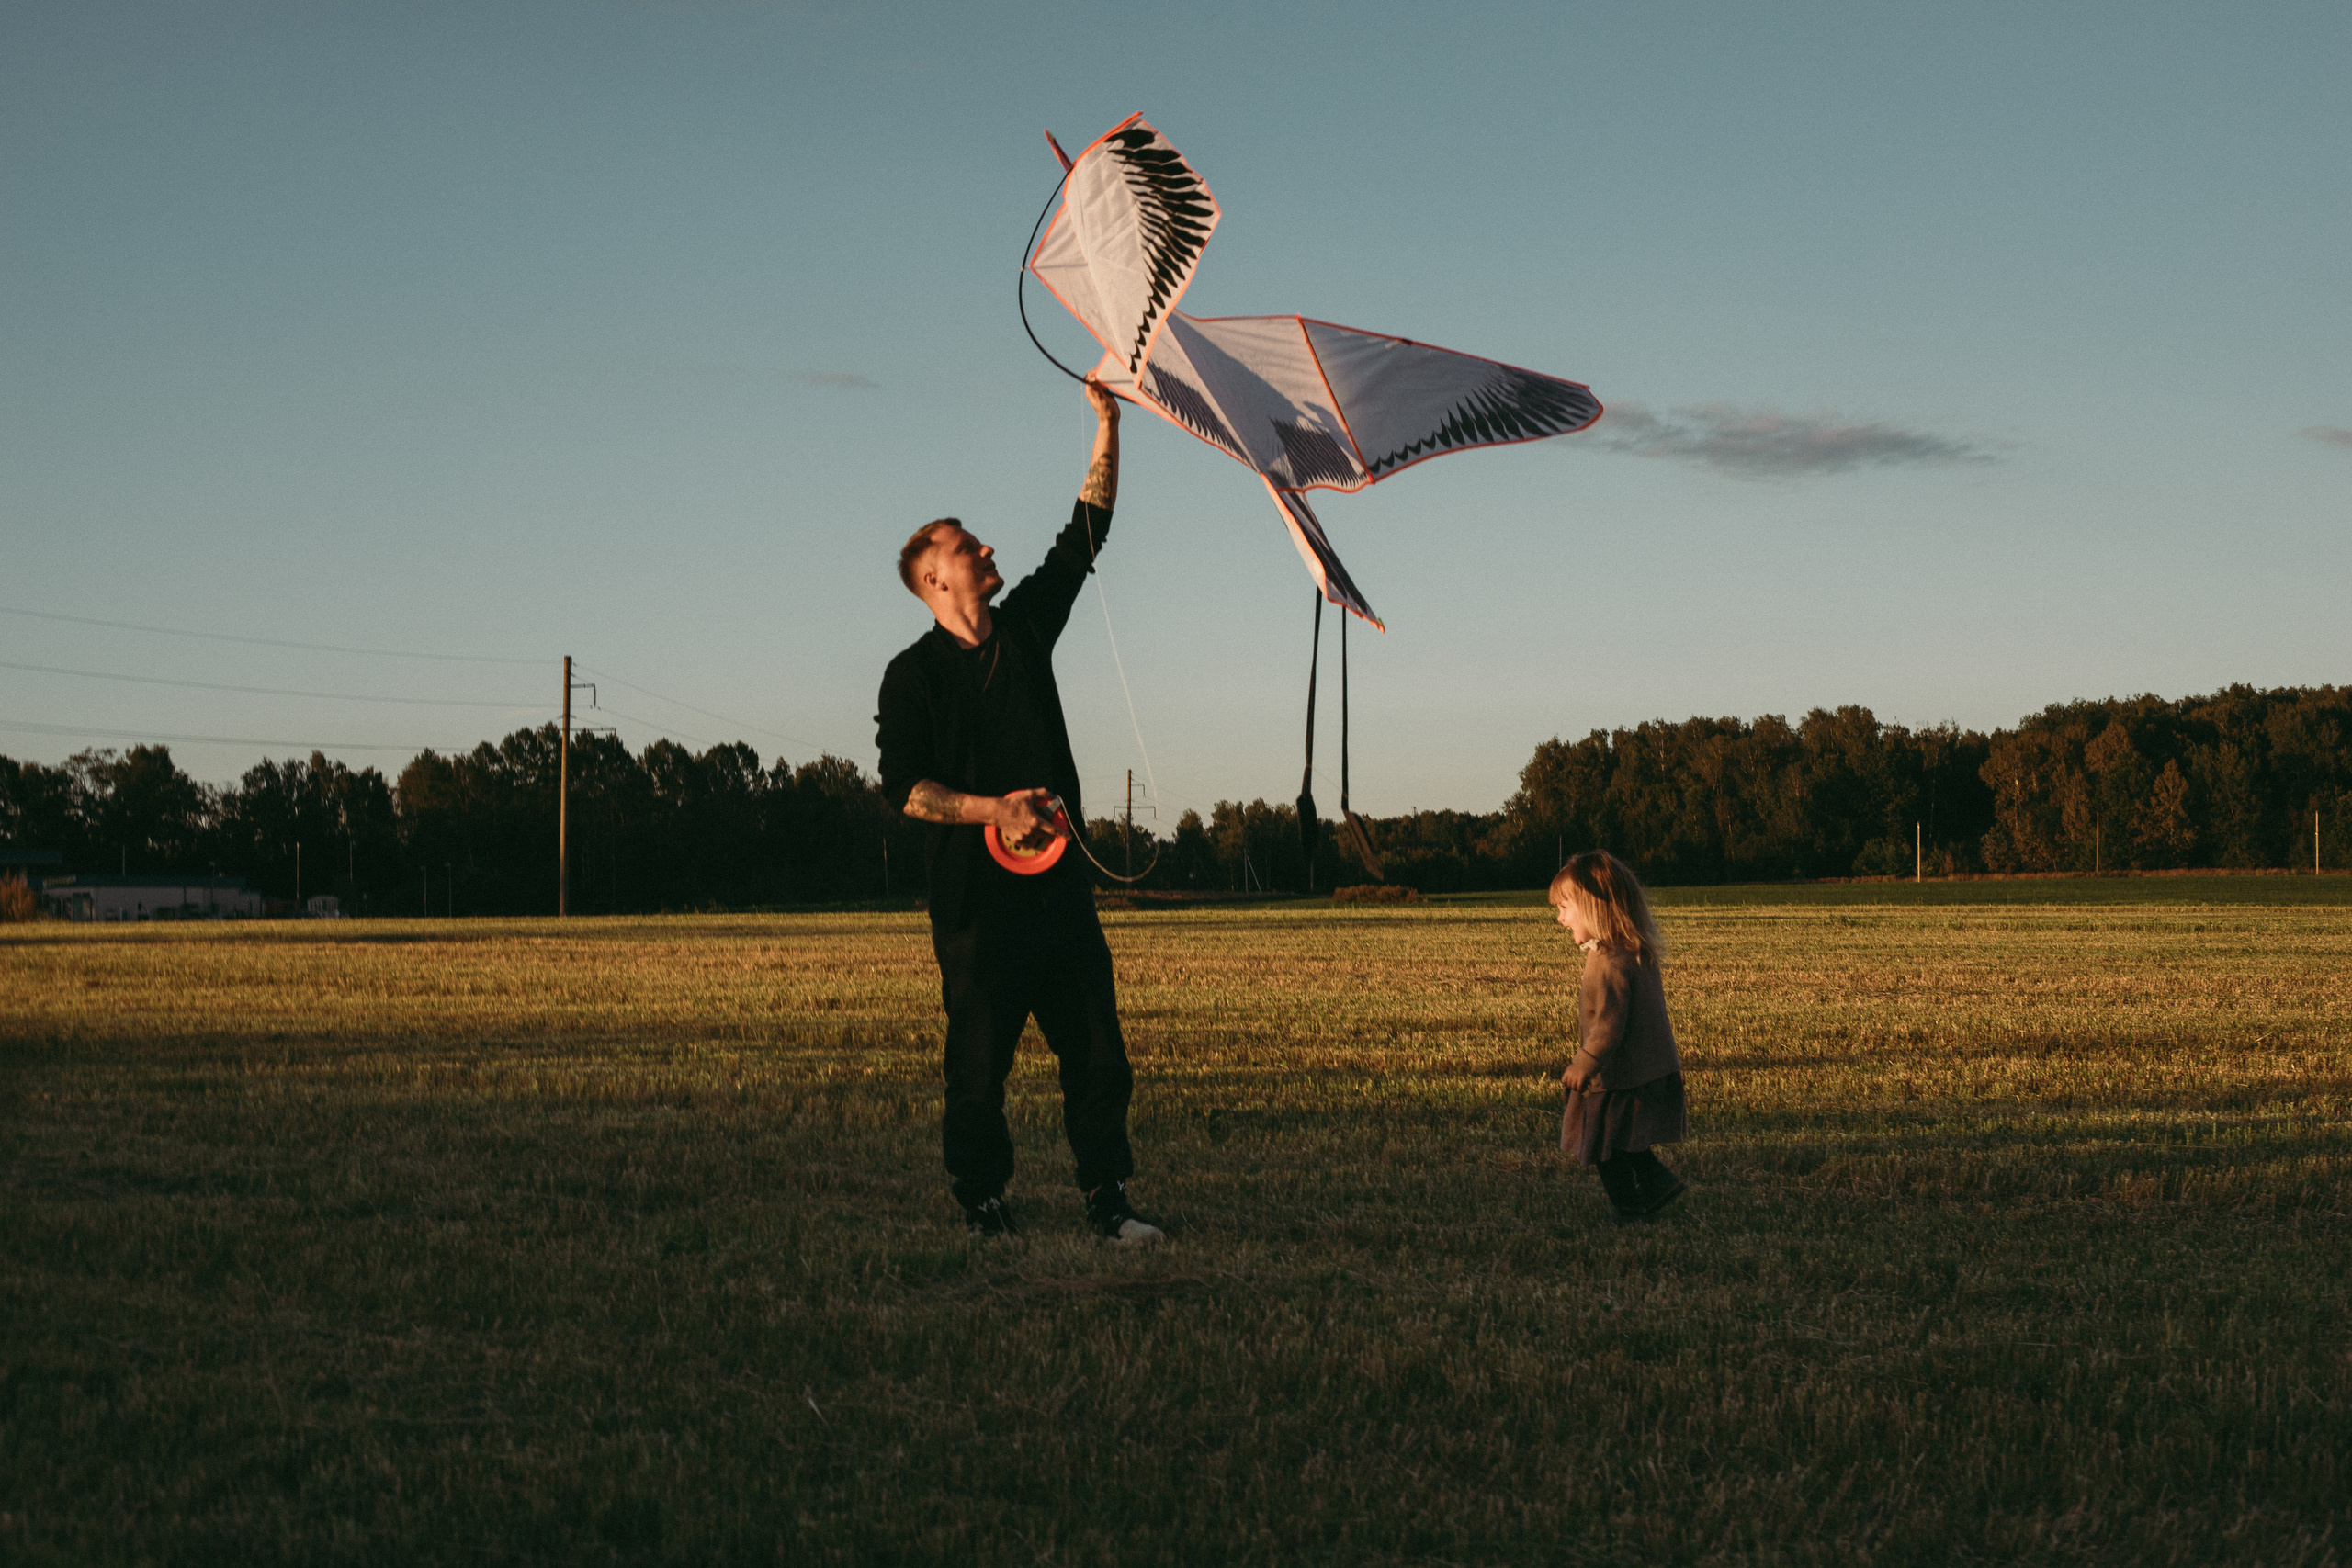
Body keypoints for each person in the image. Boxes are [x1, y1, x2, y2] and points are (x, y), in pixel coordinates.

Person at [874, 377, 1162, 1245]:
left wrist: (1107, 426)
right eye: (967, 547)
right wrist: (992, 809)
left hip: (1061, 895)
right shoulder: (911, 675)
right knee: (977, 1067)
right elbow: (907, 790)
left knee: (1099, 1055)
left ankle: (1108, 1196)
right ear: (934, 577)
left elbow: (1085, 535)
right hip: (975, 910)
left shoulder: (1027, 627)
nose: (986, 548)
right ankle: (981, 1198)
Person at [1553, 851, 1690, 1223]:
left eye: (1566, 907)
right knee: (1624, 1142)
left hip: (1620, 1075)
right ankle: (1656, 1188)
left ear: (1594, 907)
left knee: (1603, 1146)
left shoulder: (1611, 963)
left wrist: (1584, 1063)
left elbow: (1609, 1026)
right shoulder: (1627, 953)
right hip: (1638, 1069)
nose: (1560, 918)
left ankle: (1632, 1208)